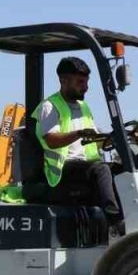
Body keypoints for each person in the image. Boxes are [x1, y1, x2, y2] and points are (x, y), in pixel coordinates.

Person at [27, 56, 122, 226]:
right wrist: (78, 133)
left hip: (84, 166)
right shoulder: (50, 106)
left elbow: (93, 140)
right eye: (80, 82)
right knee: (100, 170)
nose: (85, 87)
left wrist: (113, 140)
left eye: (86, 82)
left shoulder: (83, 107)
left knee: (122, 168)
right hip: (61, 170)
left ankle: (133, 216)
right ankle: (113, 219)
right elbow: (51, 140)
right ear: (64, 80)